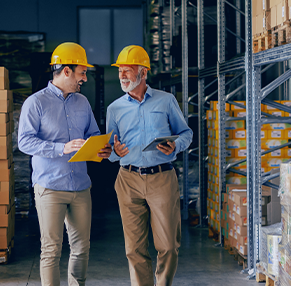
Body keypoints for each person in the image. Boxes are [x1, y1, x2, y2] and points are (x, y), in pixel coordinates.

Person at [18, 42, 112, 286]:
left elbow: (93, 133)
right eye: (82, 72)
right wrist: (62, 148)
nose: (85, 79)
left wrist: (101, 149)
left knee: (81, 248)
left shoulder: (82, 103)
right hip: (50, 187)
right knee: (51, 249)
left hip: (80, 186)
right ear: (66, 70)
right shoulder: (35, 103)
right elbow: (25, 142)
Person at [106, 45, 193, 286]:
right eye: (120, 71)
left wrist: (175, 147)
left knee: (168, 245)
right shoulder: (114, 108)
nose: (122, 75)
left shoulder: (166, 101)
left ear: (143, 73)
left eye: (128, 70)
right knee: (134, 247)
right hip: (128, 179)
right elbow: (108, 148)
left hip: (161, 178)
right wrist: (115, 152)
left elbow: (186, 133)